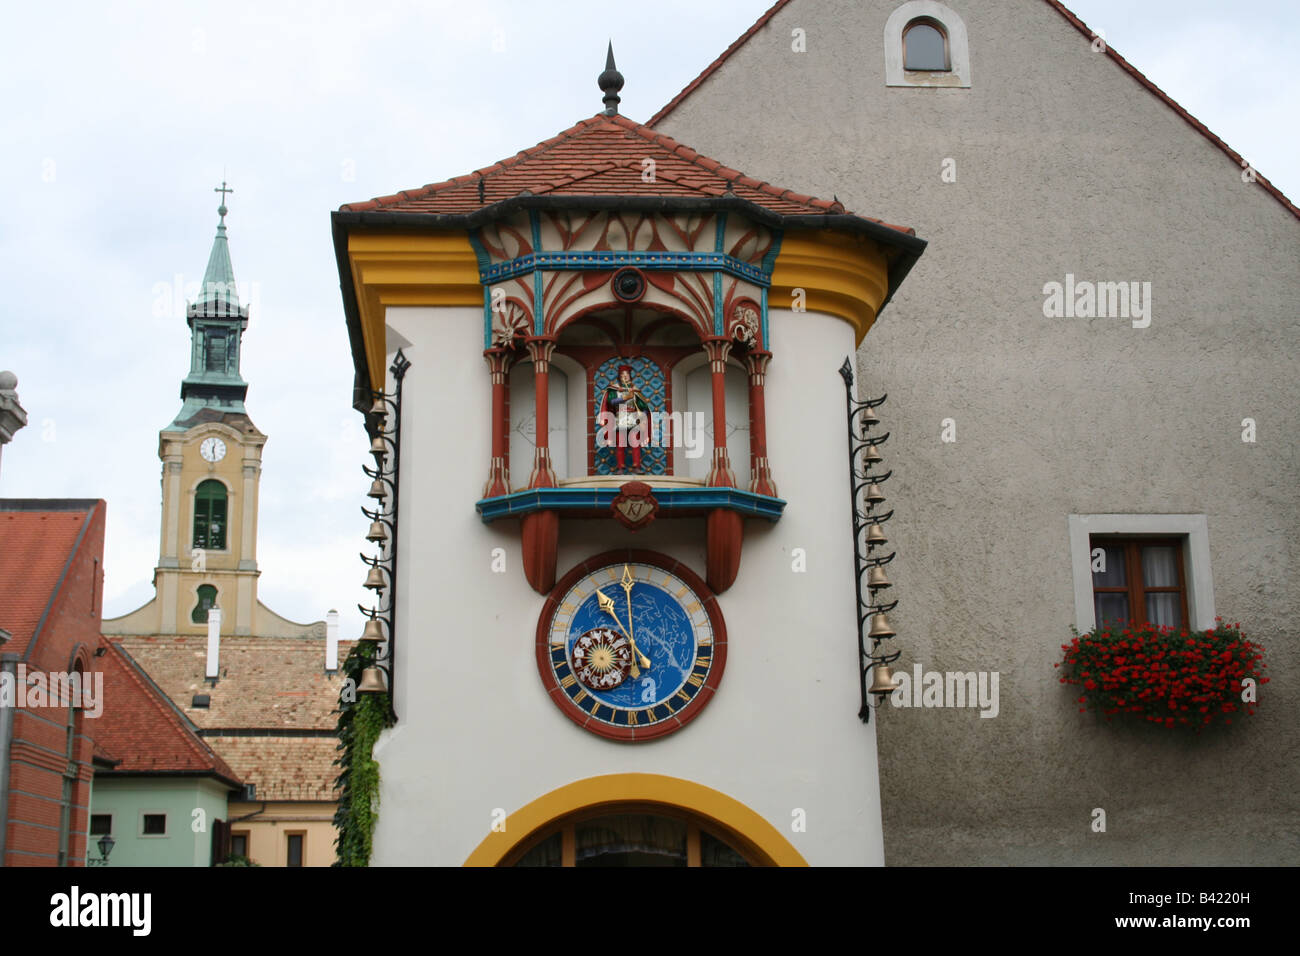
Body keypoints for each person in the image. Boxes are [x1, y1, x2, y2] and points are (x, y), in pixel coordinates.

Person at [599, 364, 651, 472]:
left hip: (633, 418)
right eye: (623, 374)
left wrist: (643, 416)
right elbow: (611, 402)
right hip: (620, 418)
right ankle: (620, 467)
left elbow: (643, 406)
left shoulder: (635, 390)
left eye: (627, 374)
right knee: (620, 444)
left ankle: (637, 466)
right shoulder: (614, 389)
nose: (625, 376)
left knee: (635, 443)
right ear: (619, 376)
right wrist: (625, 397)